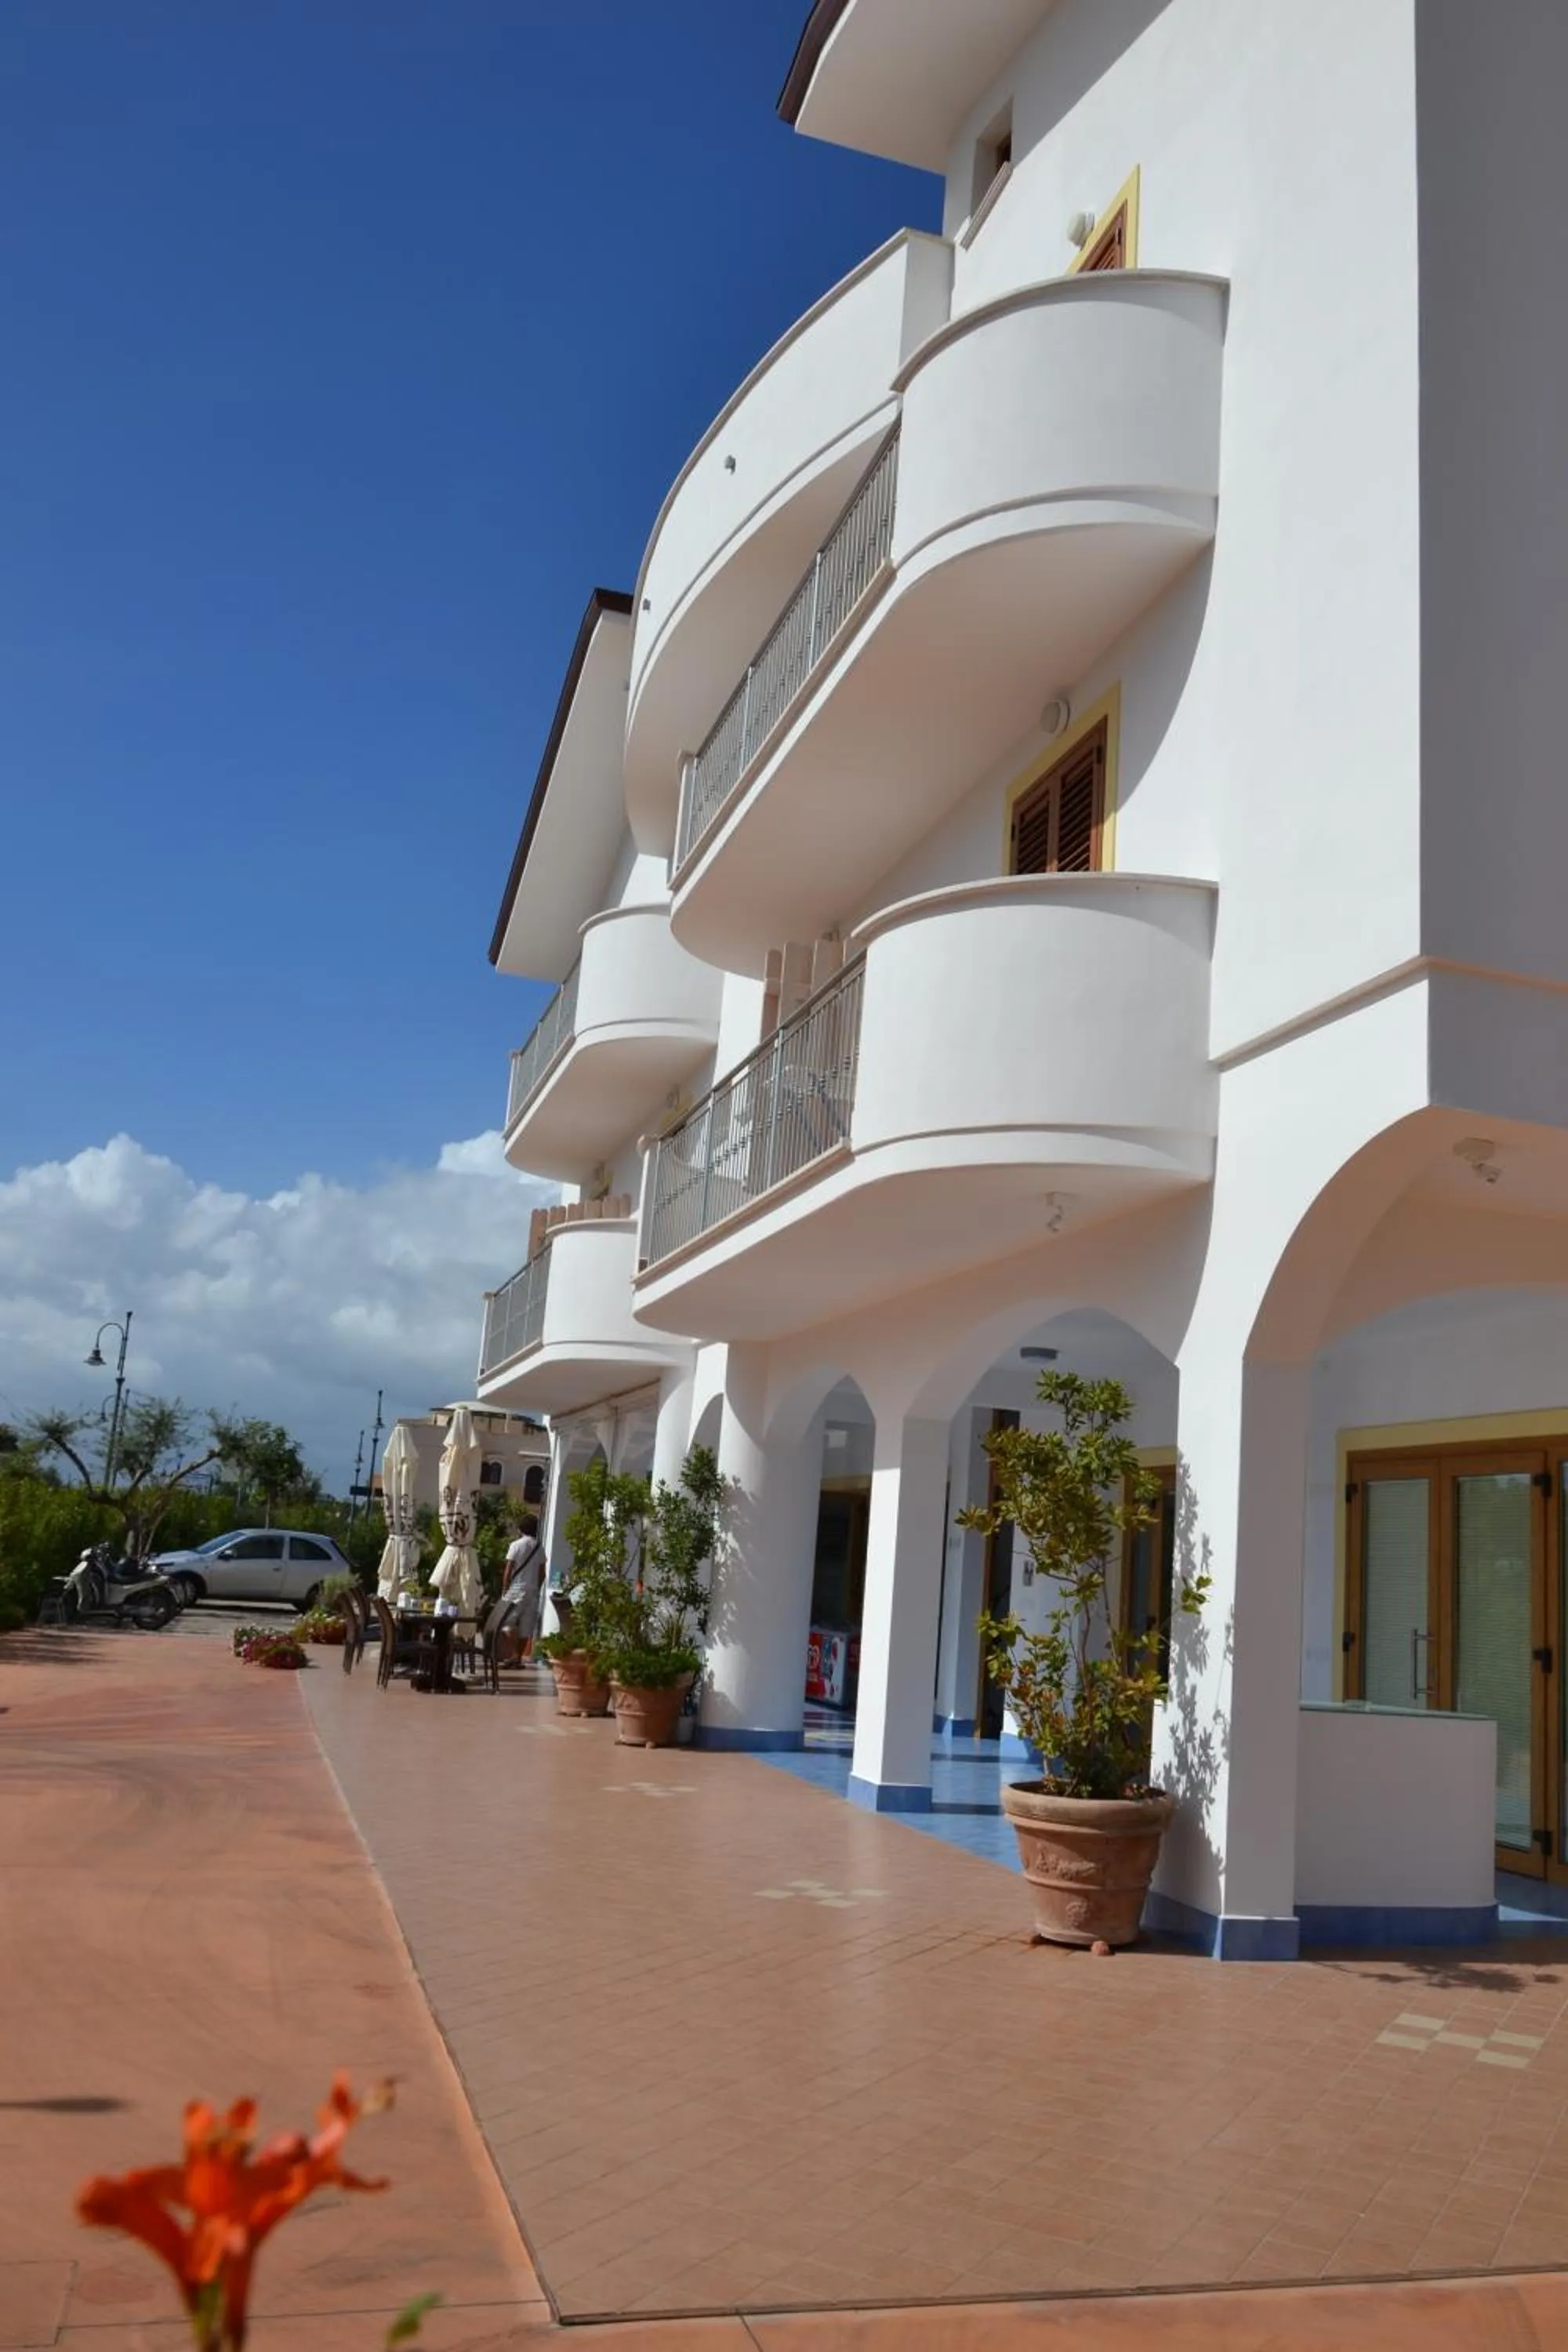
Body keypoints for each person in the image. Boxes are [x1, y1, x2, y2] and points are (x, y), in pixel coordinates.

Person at [498, 1512, 545, 1664]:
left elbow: (508, 1570)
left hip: (516, 1588)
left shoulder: (515, 1545)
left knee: (506, 1622)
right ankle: (518, 1657)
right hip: (532, 1589)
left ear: (520, 1529)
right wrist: (537, 1587)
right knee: (526, 1625)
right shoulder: (539, 1547)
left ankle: (512, 1654)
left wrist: (505, 1590)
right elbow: (542, 1572)